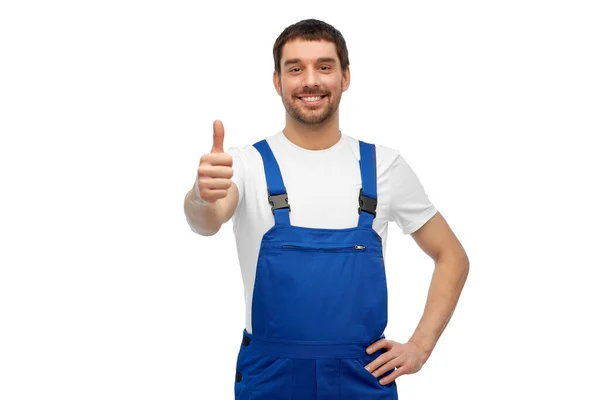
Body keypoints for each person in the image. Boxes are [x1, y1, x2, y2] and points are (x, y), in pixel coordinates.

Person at [183, 19, 469, 400]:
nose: (310, 81)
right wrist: (201, 196)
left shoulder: (384, 166)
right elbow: (207, 221)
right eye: (295, 69)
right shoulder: (245, 164)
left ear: (345, 77)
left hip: (363, 376)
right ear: (277, 82)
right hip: (270, 378)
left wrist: (420, 347)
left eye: (324, 66)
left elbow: (452, 256)